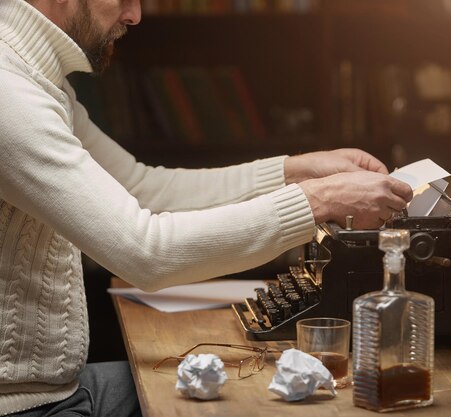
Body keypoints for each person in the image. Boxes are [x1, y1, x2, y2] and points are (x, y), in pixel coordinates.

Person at [0, 0, 413, 416]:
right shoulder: (10, 94)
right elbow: (145, 254)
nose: (135, 15)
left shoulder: (36, 77)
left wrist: (295, 173)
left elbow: (143, 188)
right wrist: (322, 201)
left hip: (58, 389)